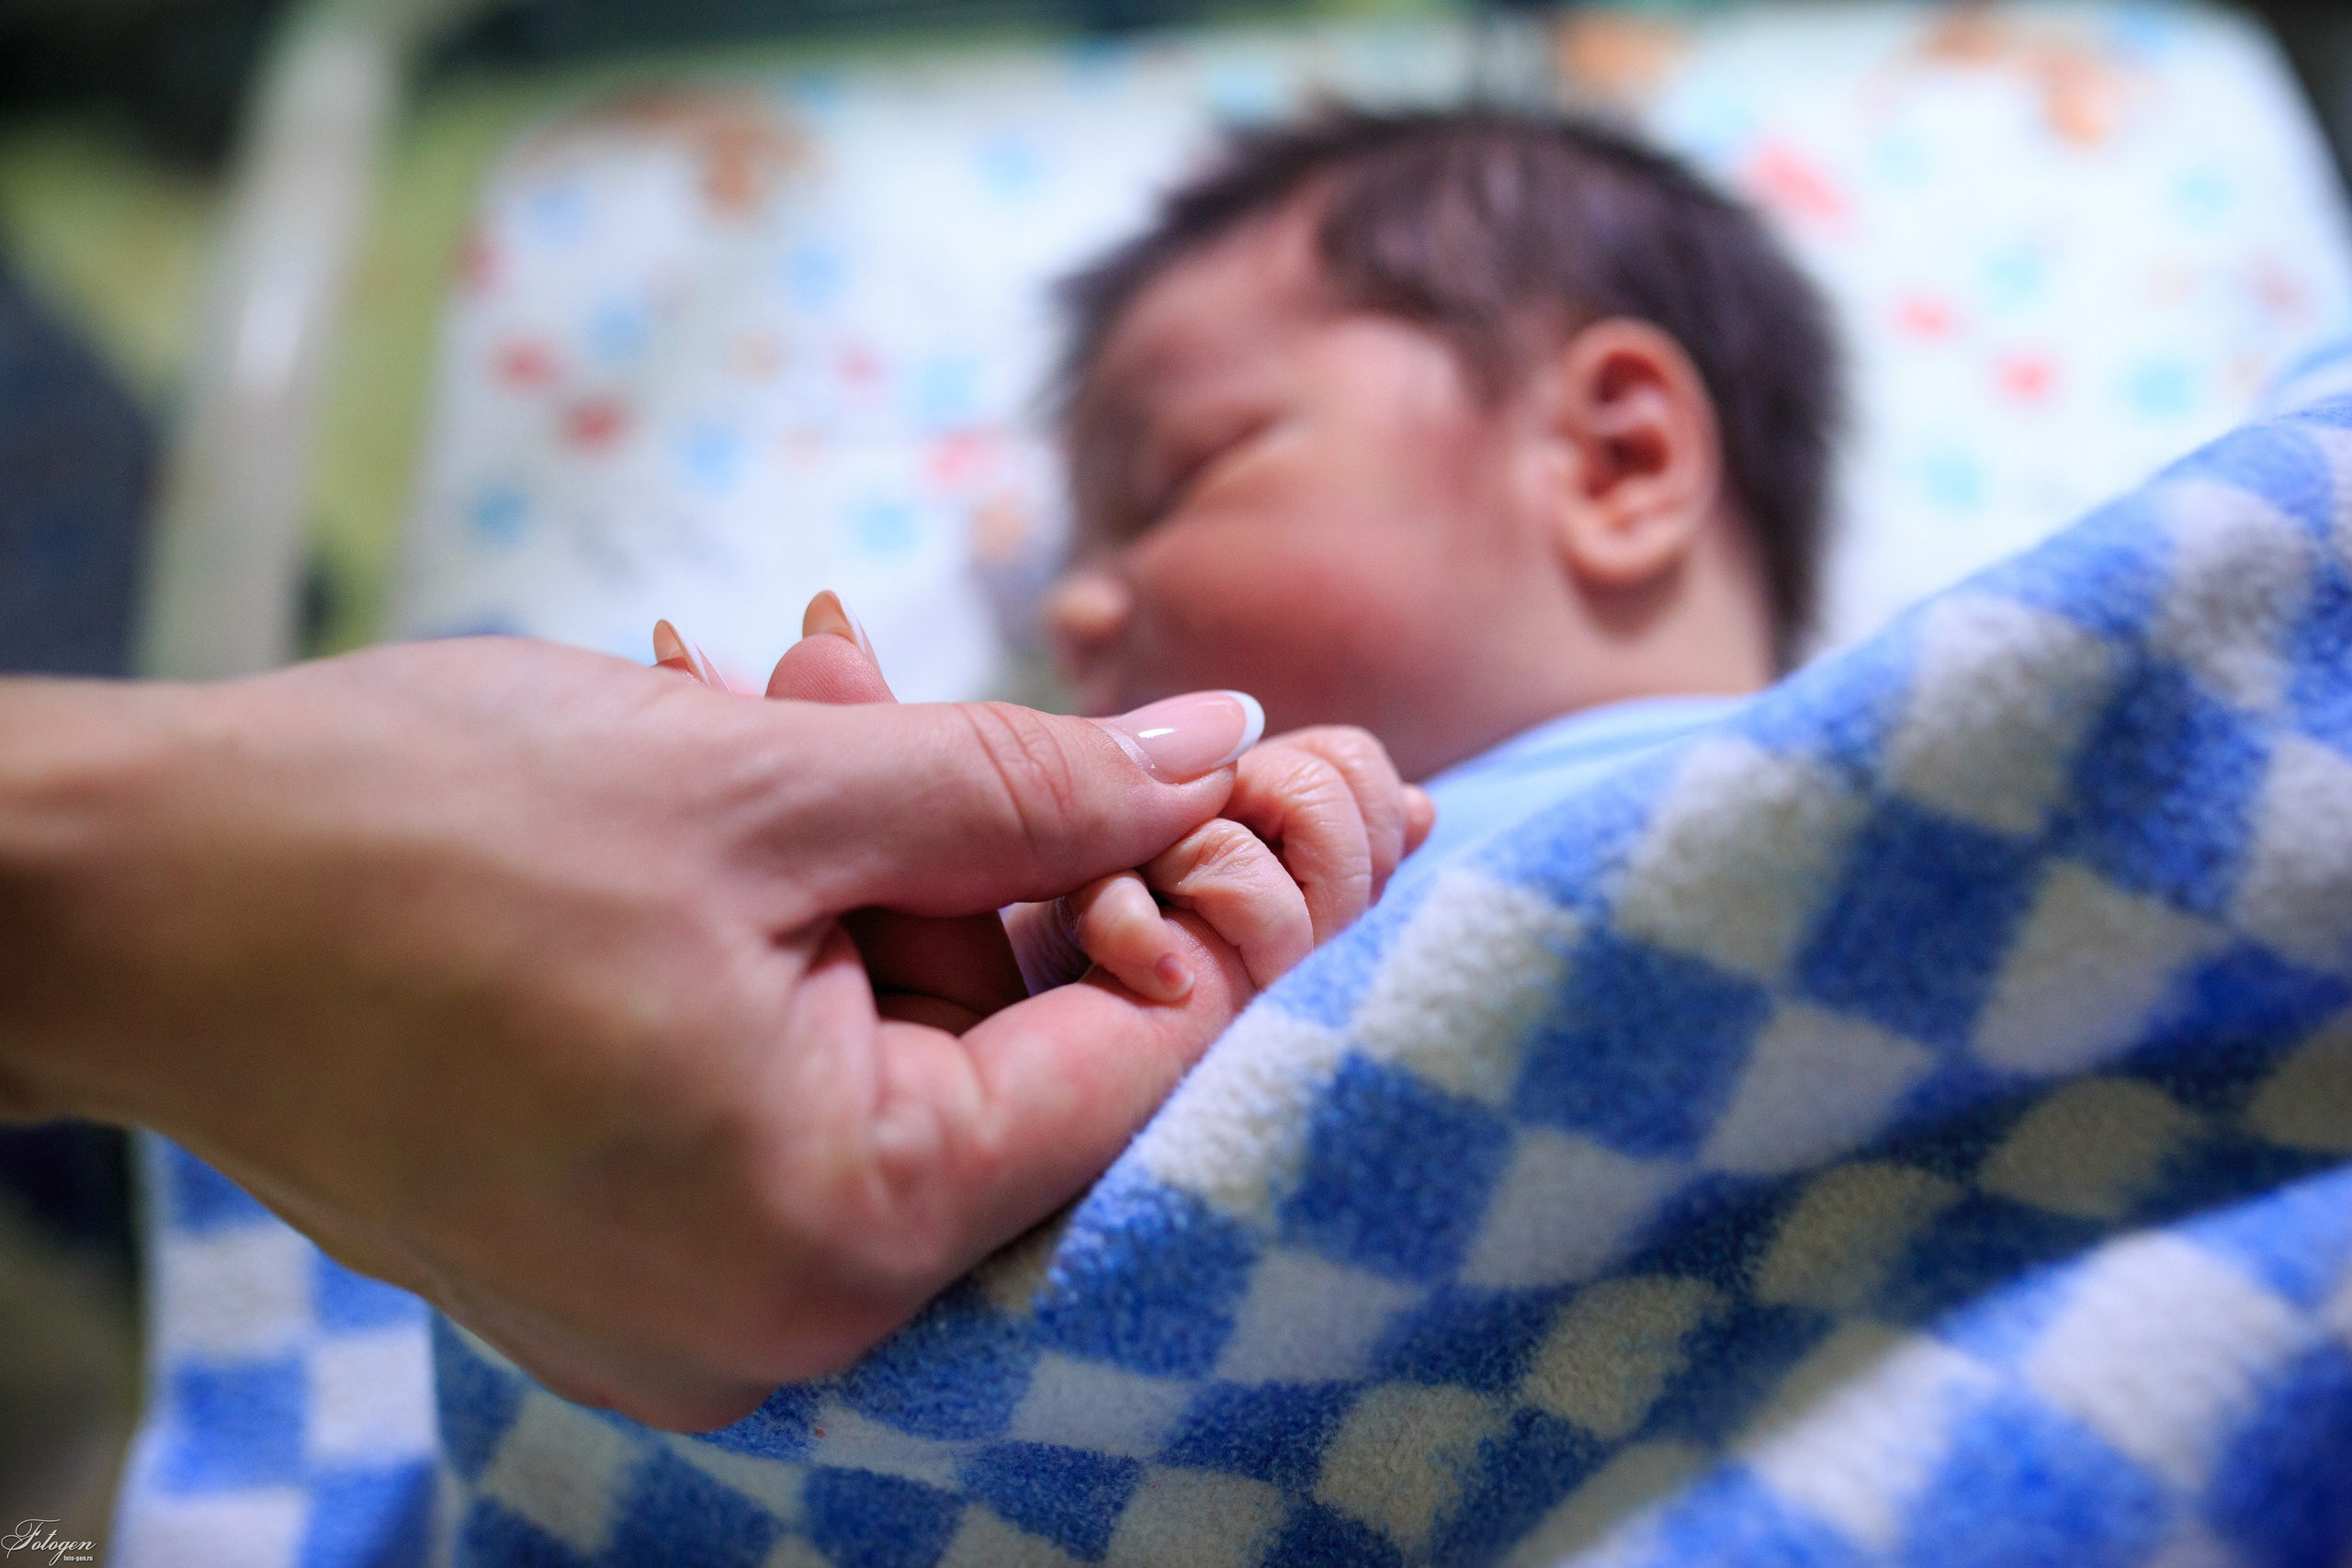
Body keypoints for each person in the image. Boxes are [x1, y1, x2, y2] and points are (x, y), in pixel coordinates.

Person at [0, 620, 1424, 1433]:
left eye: (1193, 470)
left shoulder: (1638, 802)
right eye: (1094, 529)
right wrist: (1082, 938)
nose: (1087, 604)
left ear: (1615, 456)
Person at [1045, 107, 1840, 869]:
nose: (1071, 615)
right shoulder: (1172, 944)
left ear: (1614, 463)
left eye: (1177, 486)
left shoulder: (1915, 763)